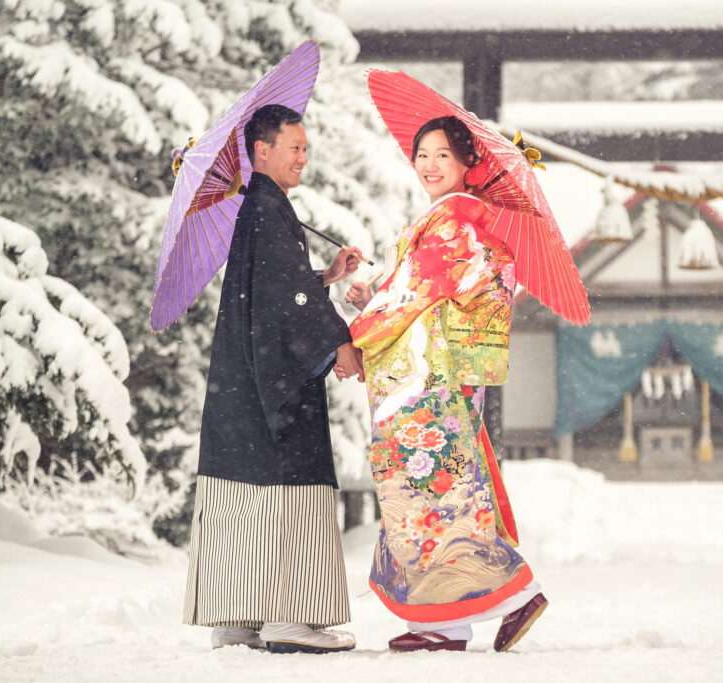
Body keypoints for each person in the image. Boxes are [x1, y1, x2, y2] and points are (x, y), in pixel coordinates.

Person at [342, 116, 547, 653]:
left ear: (466, 165)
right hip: (432, 376)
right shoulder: (449, 222)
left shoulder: (456, 223)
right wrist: (375, 298)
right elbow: (412, 293)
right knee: (441, 491)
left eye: (443, 157)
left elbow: (418, 295)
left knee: (434, 492)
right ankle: (455, 615)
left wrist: (369, 318)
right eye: (423, 156)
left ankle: (493, 598)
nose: (430, 166)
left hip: (426, 384)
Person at [182, 104, 365, 654]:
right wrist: (339, 342)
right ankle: (289, 616)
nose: (303, 158)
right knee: (286, 484)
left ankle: (238, 617)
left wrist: (327, 276)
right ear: (262, 150)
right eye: (295, 147)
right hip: (273, 388)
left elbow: (279, 288)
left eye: (306, 148)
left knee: (243, 487)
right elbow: (289, 296)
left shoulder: (256, 208)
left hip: (243, 380)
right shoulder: (264, 208)